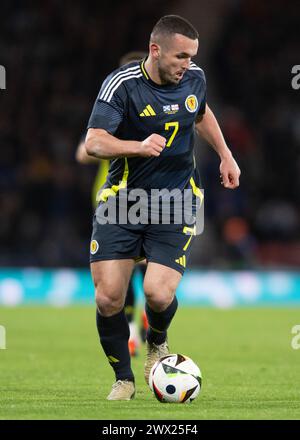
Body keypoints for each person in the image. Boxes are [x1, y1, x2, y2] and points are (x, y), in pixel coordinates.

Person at [85, 15, 241, 400]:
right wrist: (137, 146)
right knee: (108, 297)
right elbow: (94, 142)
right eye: (180, 56)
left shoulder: (194, 78)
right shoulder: (121, 85)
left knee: (156, 293)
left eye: (192, 56)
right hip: (123, 201)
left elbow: (201, 113)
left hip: (177, 200)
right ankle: (123, 378)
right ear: (155, 50)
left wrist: (225, 154)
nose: (187, 64)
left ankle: (157, 342)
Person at [76, 52, 148, 357]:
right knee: (124, 272)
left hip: (147, 200)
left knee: (147, 267)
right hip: (111, 203)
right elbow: (83, 153)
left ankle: (146, 322)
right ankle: (134, 325)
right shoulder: (110, 113)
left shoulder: (152, 114)